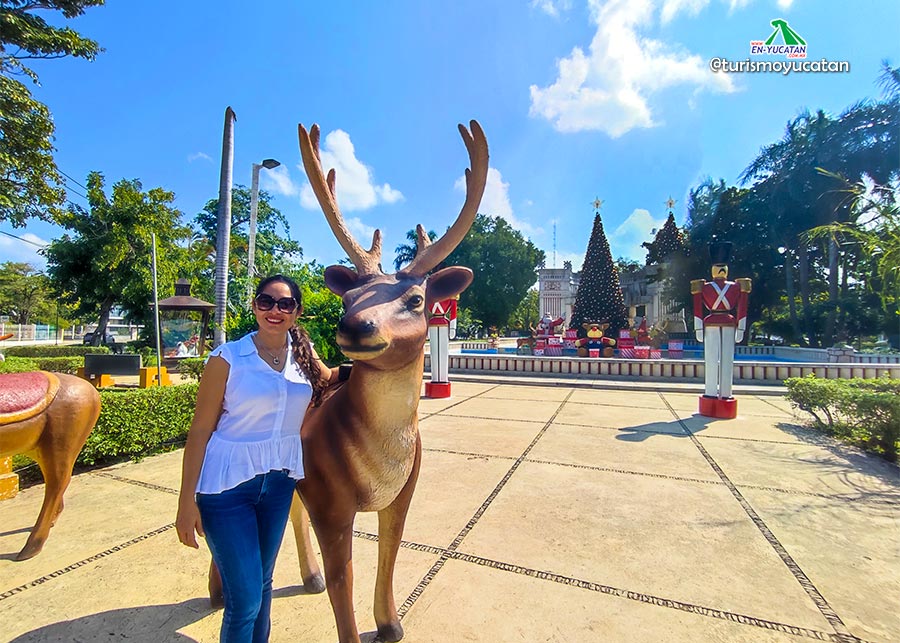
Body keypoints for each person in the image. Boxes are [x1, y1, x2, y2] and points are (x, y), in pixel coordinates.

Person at [176, 274, 339, 643]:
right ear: (255, 306)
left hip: (279, 483)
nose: (275, 310)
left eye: (285, 304)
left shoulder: (302, 353)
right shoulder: (227, 358)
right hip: (226, 489)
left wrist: (379, 365)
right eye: (266, 301)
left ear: (296, 312)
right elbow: (200, 430)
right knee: (245, 599)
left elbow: (330, 379)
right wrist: (186, 502)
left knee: (263, 585)